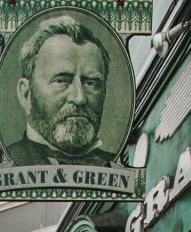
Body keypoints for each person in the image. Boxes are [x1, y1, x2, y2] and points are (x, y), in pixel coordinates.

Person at [8, 14, 113, 167]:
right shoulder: (11, 163)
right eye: (61, 81)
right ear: (26, 94)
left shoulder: (117, 165)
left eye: (90, 83)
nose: (79, 98)